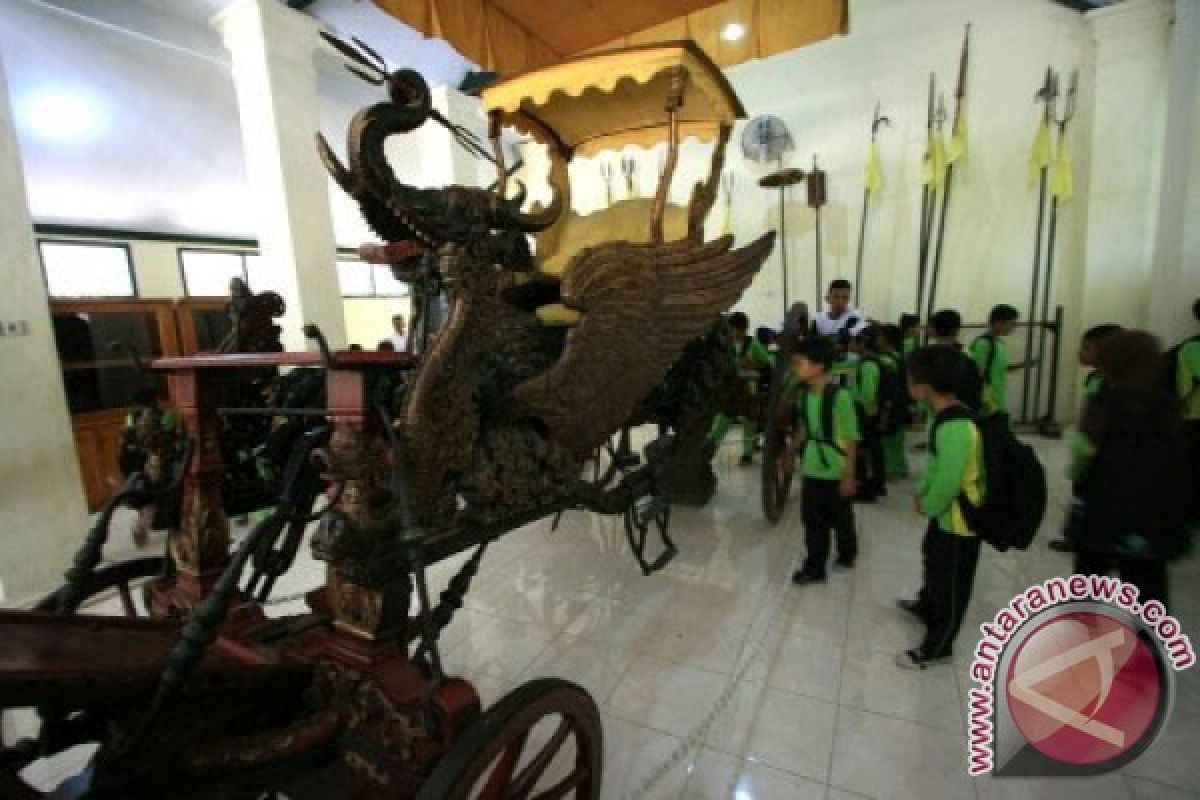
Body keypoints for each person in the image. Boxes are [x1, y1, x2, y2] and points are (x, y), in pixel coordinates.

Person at [1066, 331, 1190, 609]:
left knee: (1088, 587)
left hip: (1103, 513)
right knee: (1149, 591)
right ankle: (1150, 646)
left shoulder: (1104, 403)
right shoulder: (1167, 406)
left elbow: (1082, 457)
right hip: (1153, 516)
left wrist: (1077, 478)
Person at [896, 345, 985, 669]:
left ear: (925, 385)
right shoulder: (942, 418)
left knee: (951, 585)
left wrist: (931, 503)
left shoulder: (957, 427)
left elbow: (948, 480)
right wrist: (923, 493)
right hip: (945, 517)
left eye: (910, 378)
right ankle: (926, 606)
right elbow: (934, 468)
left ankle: (937, 647)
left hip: (962, 521)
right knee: (933, 562)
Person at [787, 336, 860, 585]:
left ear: (818, 366)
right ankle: (815, 567)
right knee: (813, 521)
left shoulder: (840, 397)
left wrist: (849, 475)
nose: (795, 367)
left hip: (837, 470)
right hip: (812, 468)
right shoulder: (805, 396)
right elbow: (805, 428)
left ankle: (848, 551)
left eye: (800, 362)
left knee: (842, 518)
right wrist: (790, 452)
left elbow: (851, 438)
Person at [1048, 323, 1123, 553]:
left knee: (1085, 497)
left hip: (1094, 452)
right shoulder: (1096, 378)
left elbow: (1094, 419)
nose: (1080, 352)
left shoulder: (1107, 384)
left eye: (1087, 348)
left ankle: (1079, 538)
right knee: (1081, 496)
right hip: (1088, 447)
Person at [709, 312, 775, 466]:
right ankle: (711, 448)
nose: (734, 333)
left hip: (749, 390)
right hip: (730, 388)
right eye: (732, 330)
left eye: (738, 330)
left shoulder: (752, 343)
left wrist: (754, 365)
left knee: (749, 422)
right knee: (724, 419)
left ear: (744, 330)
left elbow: (769, 363)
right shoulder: (724, 344)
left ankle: (747, 453)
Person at [849, 326, 886, 501]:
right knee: (868, 451)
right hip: (869, 414)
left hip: (867, 415)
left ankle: (868, 489)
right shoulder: (868, 361)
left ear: (862, 343)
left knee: (864, 452)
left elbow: (868, 394)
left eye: (853, 341)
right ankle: (874, 485)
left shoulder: (868, 364)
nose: (851, 344)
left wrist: (860, 412)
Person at [968, 304, 1020, 419]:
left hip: (999, 397)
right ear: (998, 322)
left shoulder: (1000, 344)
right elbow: (976, 373)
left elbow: (1000, 368)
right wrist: (986, 401)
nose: (1013, 328)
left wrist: (1021, 365)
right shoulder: (983, 343)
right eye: (1011, 324)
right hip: (987, 401)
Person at [879, 324, 910, 479]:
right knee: (897, 437)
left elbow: (886, 388)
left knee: (888, 438)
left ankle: (890, 469)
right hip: (901, 403)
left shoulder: (885, 360)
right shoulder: (898, 356)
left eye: (879, 336)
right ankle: (899, 467)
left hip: (890, 404)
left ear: (885, 339)